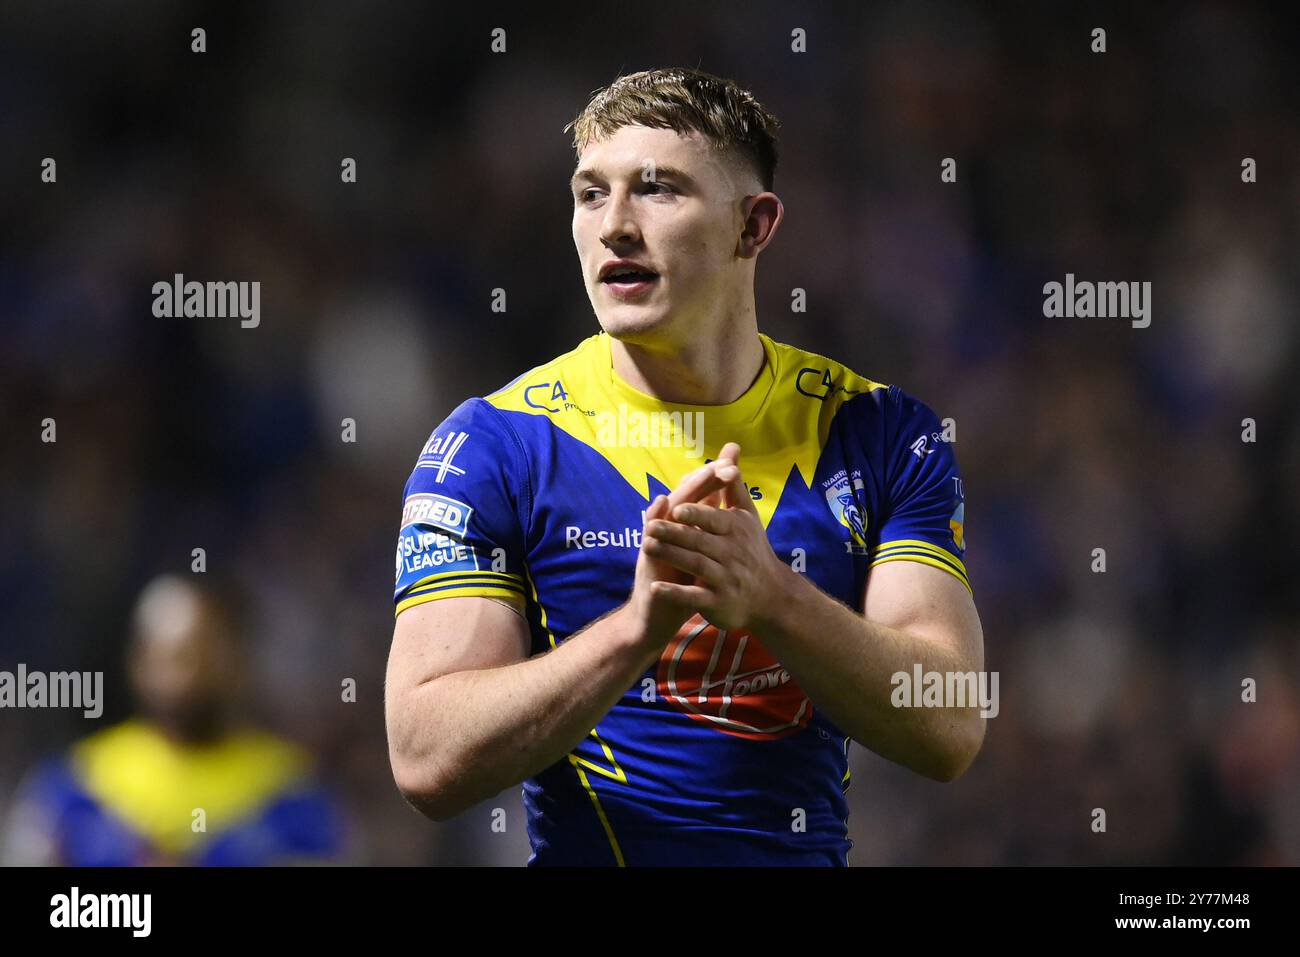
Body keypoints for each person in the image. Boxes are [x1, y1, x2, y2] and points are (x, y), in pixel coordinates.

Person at [385, 67, 985, 866]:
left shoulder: (878, 432)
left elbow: (951, 722)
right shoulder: (496, 444)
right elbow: (424, 757)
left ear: (754, 225)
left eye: (658, 189)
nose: (615, 226)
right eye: (590, 194)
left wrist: (773, 597)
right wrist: (637, 628)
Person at [3, 575, 343, 866]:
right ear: (138, 664)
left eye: (209, 655)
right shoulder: (73, 790)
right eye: (176, 657)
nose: (191, 675)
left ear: (238, 663)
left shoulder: (290, 796)